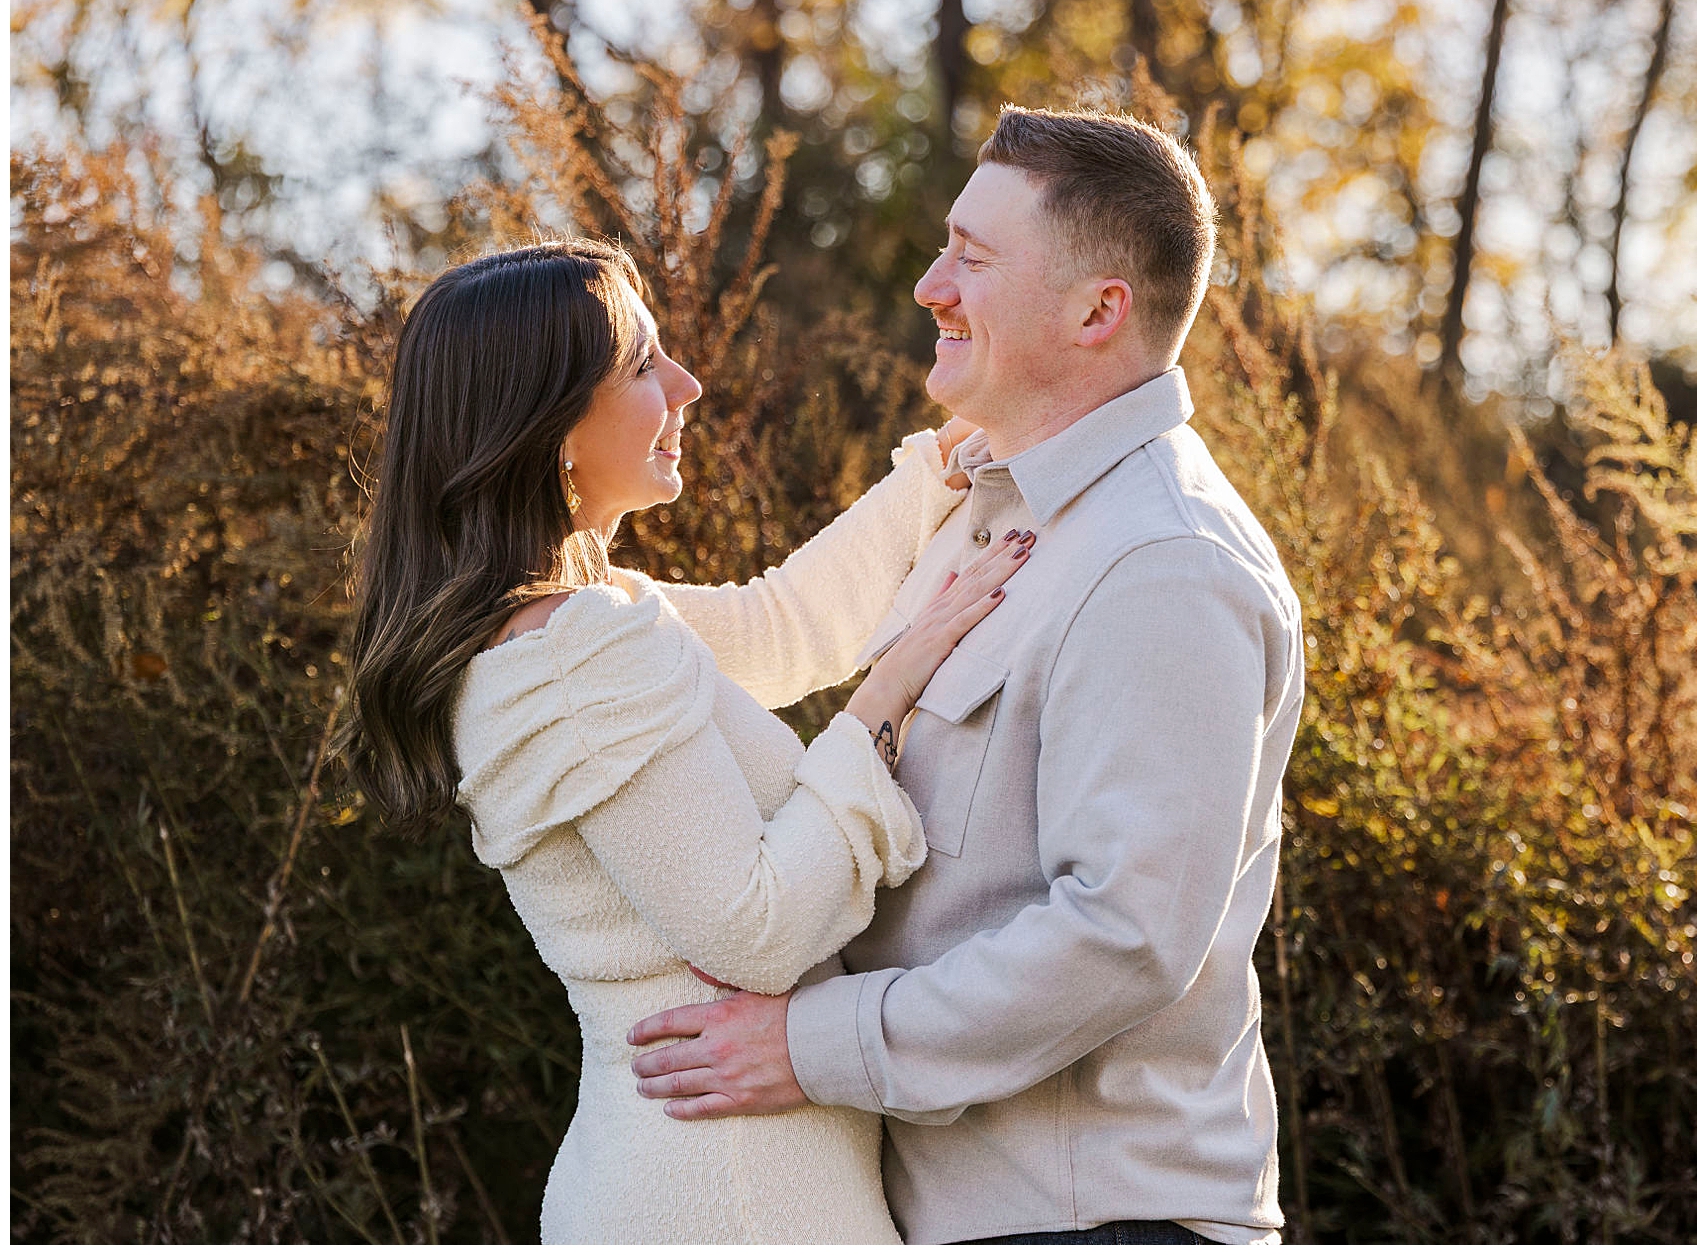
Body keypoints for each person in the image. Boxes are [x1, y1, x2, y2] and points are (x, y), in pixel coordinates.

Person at [629, 107, 1307, 1244]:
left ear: (1099, 311)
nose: (928, 286)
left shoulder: (1163, 564)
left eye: (973, 259)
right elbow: (773, 630)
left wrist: (811, 1043)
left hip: (1096, 1224)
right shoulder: (982, 511)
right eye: (945, 244)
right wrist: (522, 602)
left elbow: (1124, 933)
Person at [337, 239, 1034, 1242]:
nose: (688, 383)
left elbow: (781, 626)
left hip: (738, 1180)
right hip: (721, 1197)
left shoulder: (590, 616)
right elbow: (756, 932)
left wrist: (939, 466)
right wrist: (892, 689)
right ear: (547, 426)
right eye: (640, 364)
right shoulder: (564, 656)